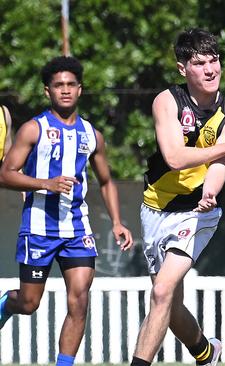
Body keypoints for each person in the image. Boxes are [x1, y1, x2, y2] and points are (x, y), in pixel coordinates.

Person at [0, 56, 134, 366]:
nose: (65, 90)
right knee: (30, 302)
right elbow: (5, 174)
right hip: (38, 228)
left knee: (80, 298)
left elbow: (106, 181)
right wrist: (45, 183)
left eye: (70, 84)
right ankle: (9, 302)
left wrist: (116, 221)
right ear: (47, 91)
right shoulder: (34, 129)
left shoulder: (92, 135)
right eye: (58, 85)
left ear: (80, 89)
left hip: (77, 230)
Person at [129, 28, 225, 366]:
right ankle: (206, 353)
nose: (211, 69)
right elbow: (174, 157)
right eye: (200, 63)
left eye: (214, 60)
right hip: (154, 209)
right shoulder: (166, 101)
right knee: (170, 305)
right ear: (182, 68)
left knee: (161, 292)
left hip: (197, 213)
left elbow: (219, 167)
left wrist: (210, 192)